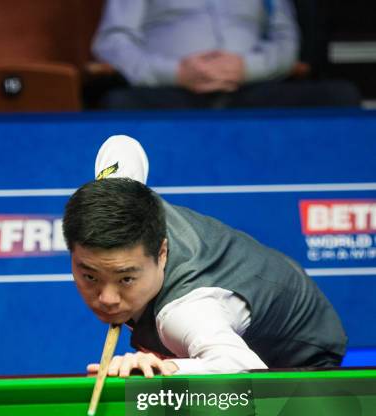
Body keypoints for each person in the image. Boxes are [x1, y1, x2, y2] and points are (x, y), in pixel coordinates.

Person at [62, 135, 347, 377]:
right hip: (255, 291)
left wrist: (165, 367)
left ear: (161, 253)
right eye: (89, 276)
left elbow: (243, 367)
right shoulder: (126, 201)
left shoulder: (186, 310)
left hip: (299, 362)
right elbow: (122, 145)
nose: (107, 298)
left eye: (126, 279)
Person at [91, 0, 361, 110]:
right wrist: (176, 73)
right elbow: (112, 41)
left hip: (253, 88)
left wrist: (248, 68)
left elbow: (286, 41)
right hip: (171, 92)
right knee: (118, 103)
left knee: (341, 96)